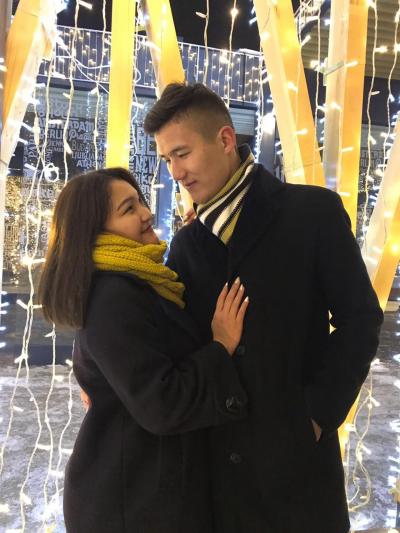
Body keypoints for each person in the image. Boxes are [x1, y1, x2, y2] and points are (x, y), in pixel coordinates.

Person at [144, 82, 384, 533]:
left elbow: (360, 320)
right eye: (166, 160)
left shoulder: (312, 213)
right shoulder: (188, 245)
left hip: (298, 476)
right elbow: (171, 341)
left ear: (225, 139)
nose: (175, 172)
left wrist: (317, 415)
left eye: (182, 153)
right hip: (217, 477)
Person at [38, 167, 250, 533]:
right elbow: (161, 404)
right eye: (128, 209)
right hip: (131, 503)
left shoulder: (141, 283)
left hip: (147, 488)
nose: (146, 213)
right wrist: (221, 346)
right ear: (96, 233)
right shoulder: (112, 296)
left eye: (140, 201)